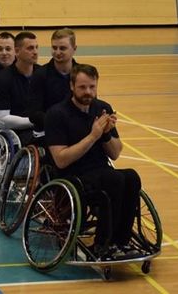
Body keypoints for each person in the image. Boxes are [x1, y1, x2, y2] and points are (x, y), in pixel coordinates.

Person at [45, 64, 141, 261]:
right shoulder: (57, 114)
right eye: (82, 87)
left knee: (131, 177)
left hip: (100, 171)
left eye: (92, 87)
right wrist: (93, 136)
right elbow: (61, 160)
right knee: (113, 179)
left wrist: (105, 135)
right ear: (72, 86)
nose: (88, 92)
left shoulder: (102, 108)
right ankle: (102, 244)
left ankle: (121, 240)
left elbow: (115, 153)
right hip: (72, 176)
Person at [0, 31, 40, 142]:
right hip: (16, 132)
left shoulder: (43, 74)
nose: (35, 52)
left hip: (42, 127)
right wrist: (34, 121)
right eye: (30, 48)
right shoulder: (2, 79)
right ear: (17, 51)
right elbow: (1, 120)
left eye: (36, 47)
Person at [28, 28, 78, 135]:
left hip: (76, 128)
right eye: (54, 48)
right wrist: (58, 122)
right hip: (48, 131)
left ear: (74, 48)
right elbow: (34, 113)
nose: (57, 52)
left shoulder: (82, 74)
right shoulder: (40, 75)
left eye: (62, 48)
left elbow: (91, 103)